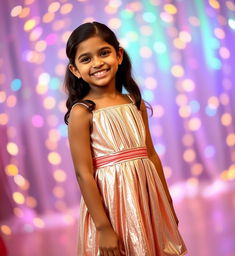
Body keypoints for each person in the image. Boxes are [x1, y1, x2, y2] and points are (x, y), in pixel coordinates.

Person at [64, 21, 187, 256]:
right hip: (111, 204)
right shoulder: (82, 112)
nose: (97, 63)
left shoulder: (134, 103)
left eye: (104, 53)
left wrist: (167, 204)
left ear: (118, 55)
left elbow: (150, 154)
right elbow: (84, 173)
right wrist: (103, 227)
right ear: (75, 70)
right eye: (86, 59)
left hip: (146, 198)